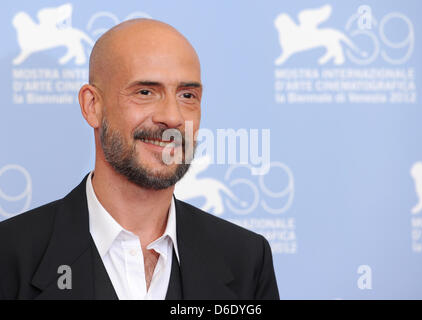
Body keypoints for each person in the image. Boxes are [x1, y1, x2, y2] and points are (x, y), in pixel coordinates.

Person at [0, 19, 279, 300]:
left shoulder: (246, 259)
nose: (172, 117)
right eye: (145, 92)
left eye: (187, 95)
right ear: (92, 106)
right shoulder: (10, 256)